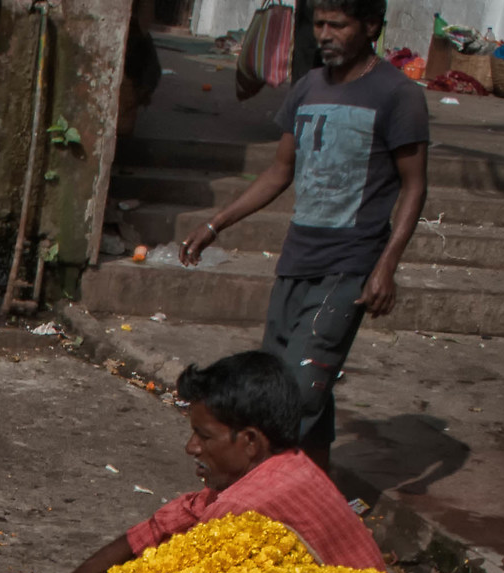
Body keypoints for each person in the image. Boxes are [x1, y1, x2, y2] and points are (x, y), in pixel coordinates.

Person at [0, 351, 385, 573]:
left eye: (203, 436)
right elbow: (154, 532)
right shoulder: (283, 464)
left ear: (249, 441)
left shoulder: (243, 513)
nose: (192, 447)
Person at [178, 0, 428, 470]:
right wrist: (216, 224)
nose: (325, 34)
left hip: (350, 265)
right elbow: (279, 171)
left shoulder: (398, 95)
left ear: (370, 26)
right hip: (297, 260)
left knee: (296, 390)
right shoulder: (307, 88)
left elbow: (415, 185)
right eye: (319, 24)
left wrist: (387, 265)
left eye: (339, 24)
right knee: (288, 383)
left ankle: (263, 495)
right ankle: (317, 489)